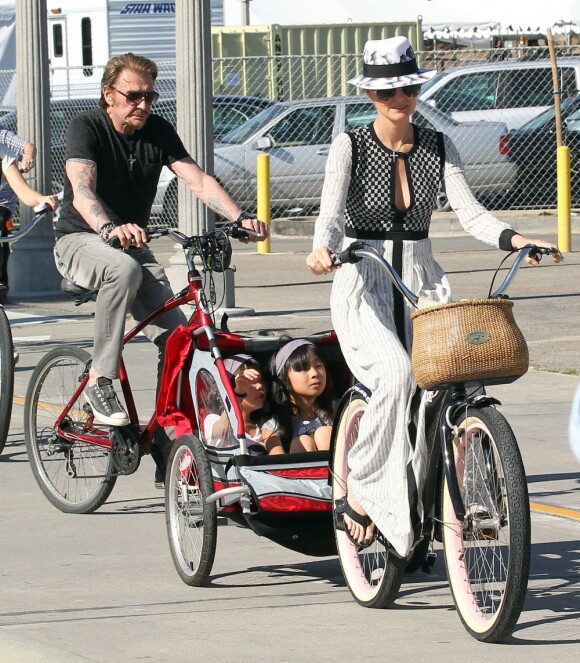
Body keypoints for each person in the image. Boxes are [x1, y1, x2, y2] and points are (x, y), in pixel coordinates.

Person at [306, 36, 562, 555]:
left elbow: (470, 213)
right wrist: (321, 250)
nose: (398, 97)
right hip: (365, 279)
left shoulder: (439, 145)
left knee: (441, 385)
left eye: (406, 86)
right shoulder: (349, 145)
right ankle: (360, 488)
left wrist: (517, 238)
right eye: (385, 91)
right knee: (396, 375)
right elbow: (330, 214)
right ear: (370, 96)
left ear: (418, 86)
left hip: (422, 281)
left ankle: (428, 502)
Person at [52, 53, 267, 483]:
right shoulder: (86, 127)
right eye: (133, 96)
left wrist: (239, 218)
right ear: (108, 95)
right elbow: (82, 191)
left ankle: (165, 438)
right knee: (123, 271)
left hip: (131, 244)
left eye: (150, 96)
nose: (143, 105)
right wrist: (109, 226)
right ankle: (100, 378)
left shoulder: (157, 131)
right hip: (80, 240)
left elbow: (198, 180)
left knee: (181, 342)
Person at [203, 353, 282, 455]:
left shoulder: (266, 426)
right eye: (250, 382)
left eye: (261, 381)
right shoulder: (212, 420)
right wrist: (238, 392)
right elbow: (222, 429)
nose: (259, 386)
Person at [269, 338, 333, 453]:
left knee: (326, 434)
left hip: (338, 469)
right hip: (297, 470)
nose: (314, 373)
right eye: (303, 368)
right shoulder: (275, 424)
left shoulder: (338, 412)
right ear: (282, 378)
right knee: (302, 442)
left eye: (318, 365)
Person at [0, 130, 37, 305]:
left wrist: (28, 156)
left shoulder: (2, 139)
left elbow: (27, 146)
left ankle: (1, 283)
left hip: (3, 200)